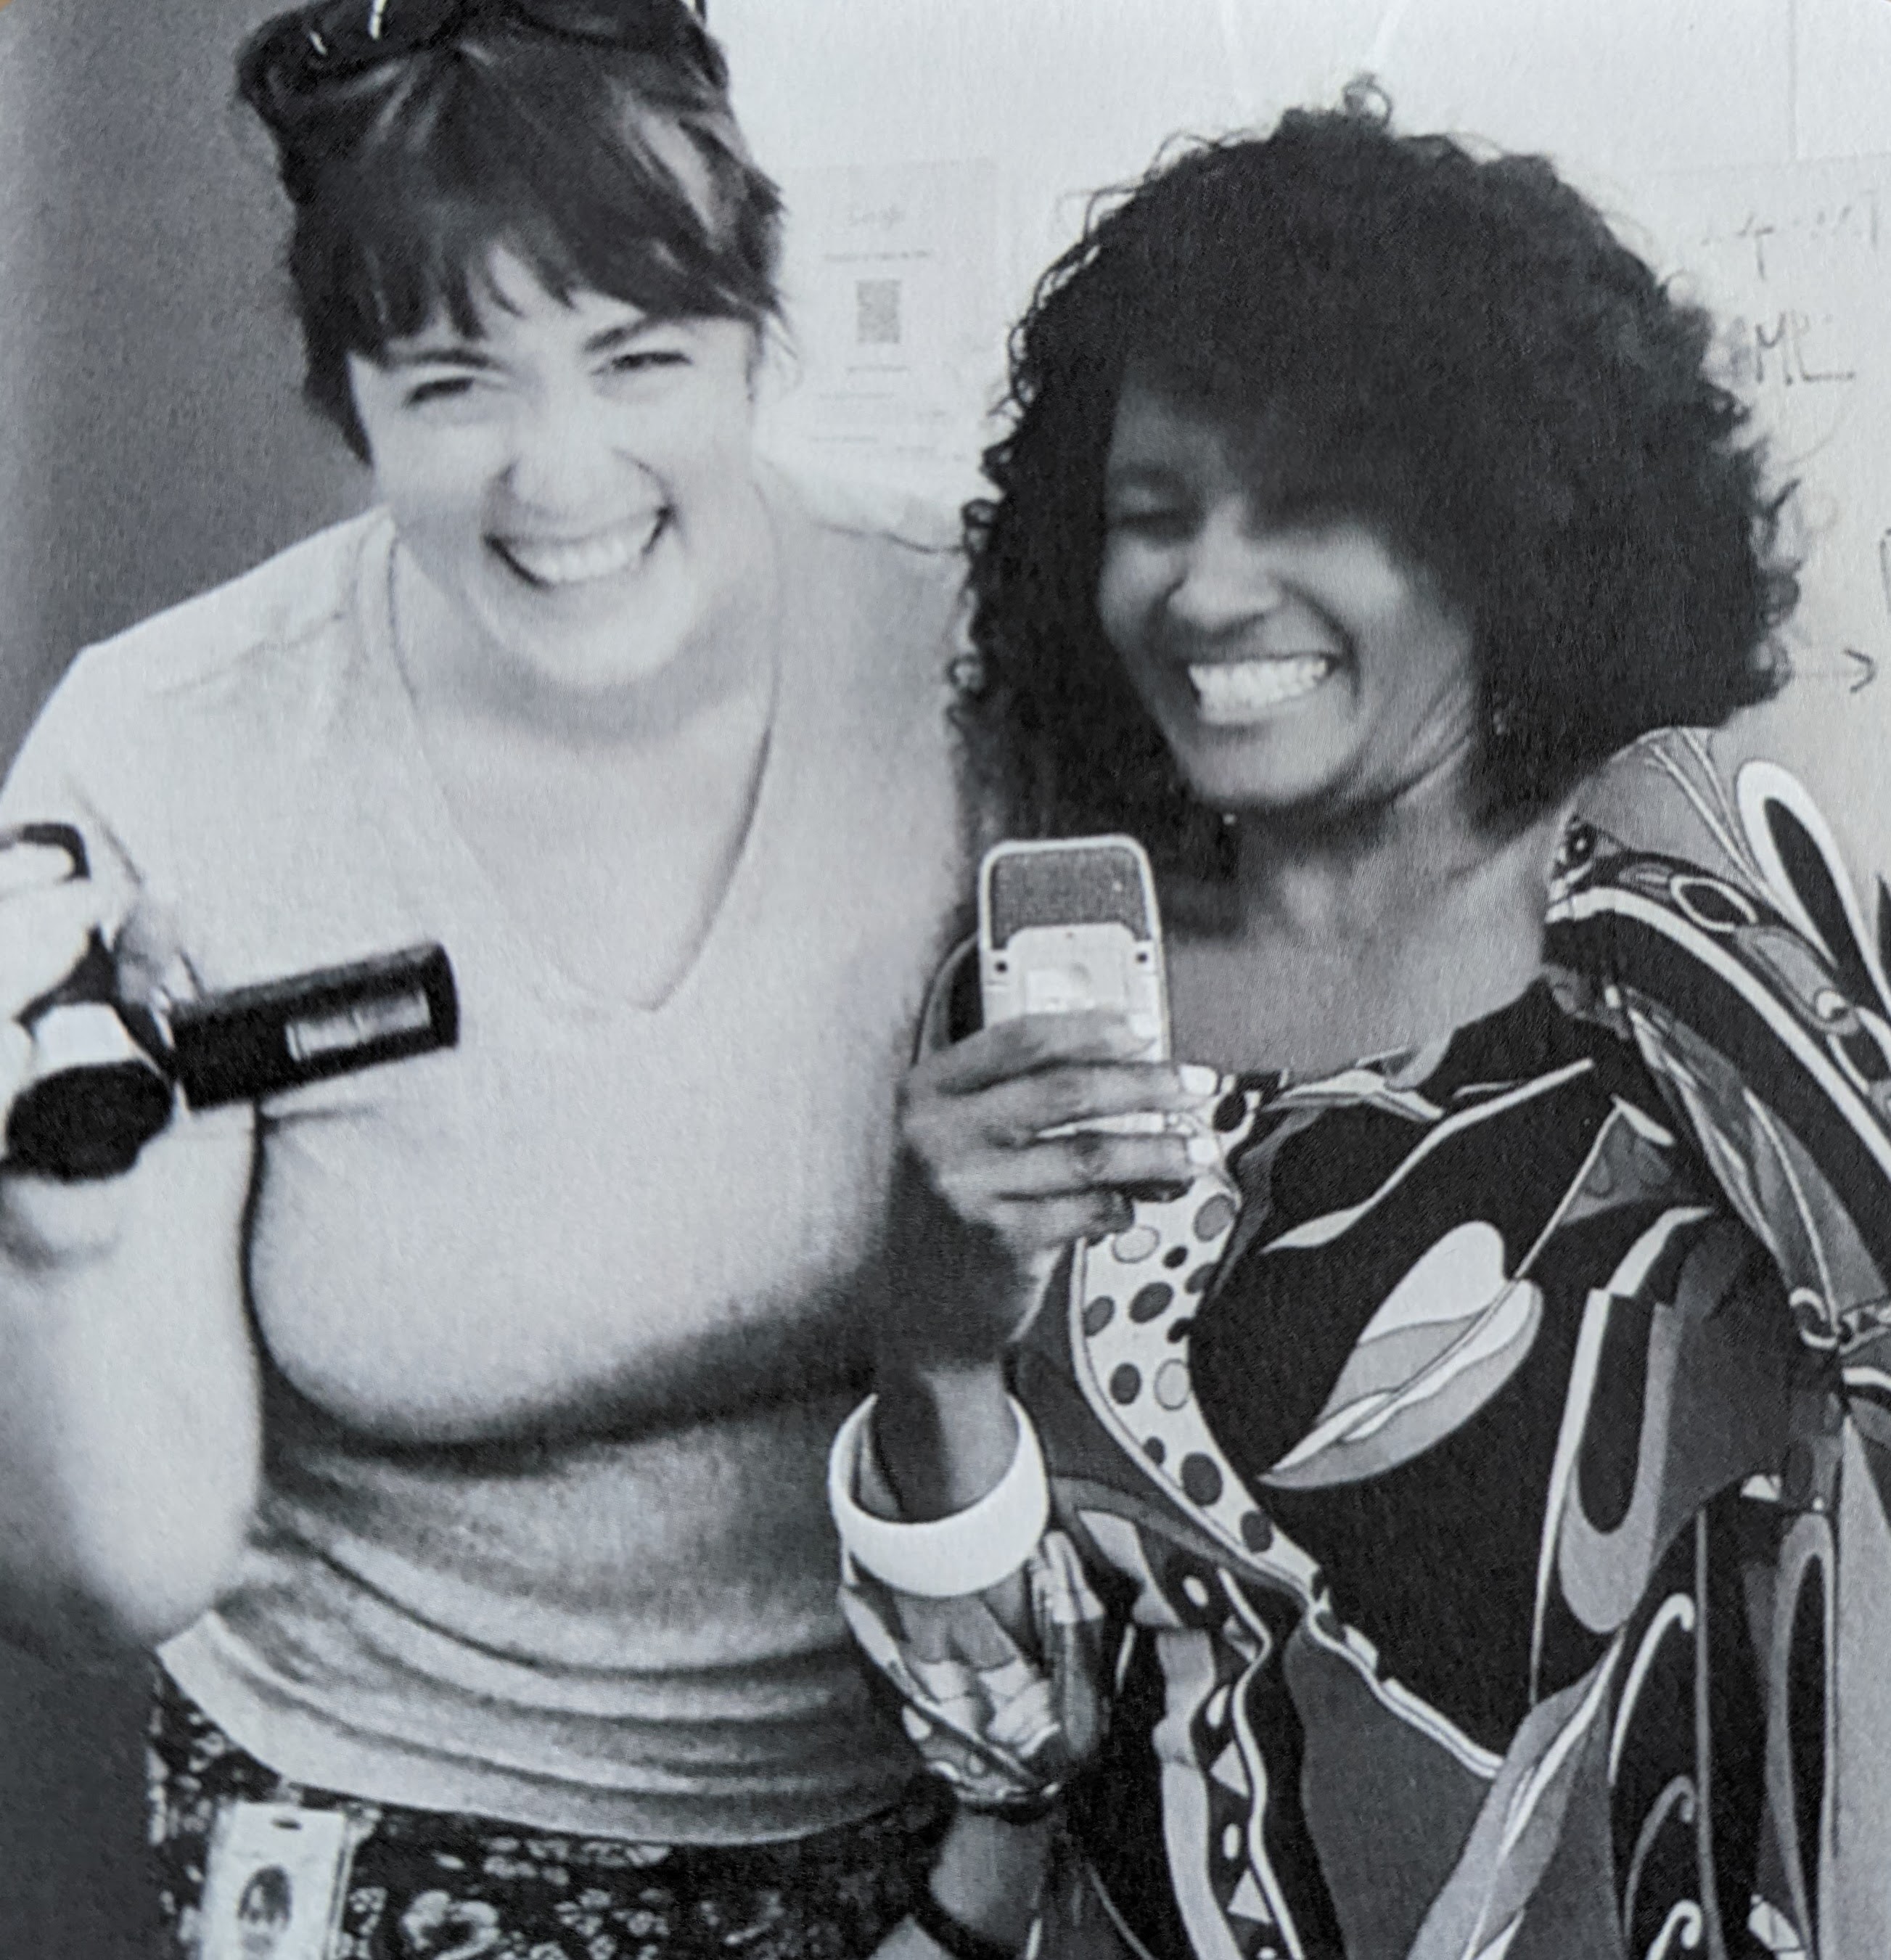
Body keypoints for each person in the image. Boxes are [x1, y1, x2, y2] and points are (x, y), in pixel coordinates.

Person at [0, 1, 1041, 1953]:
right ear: (350, 393)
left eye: (639, 357)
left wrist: (993, 1876)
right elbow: (105, 1574)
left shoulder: (983, 674)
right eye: (455, 380)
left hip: (923, 1793)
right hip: (371, 1803)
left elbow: (1145, 1350)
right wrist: (53, 1230)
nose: (559, 479)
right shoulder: (164, 760)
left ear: (756, 328)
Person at [829, 100, 1891, 1960]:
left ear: (1504, 524)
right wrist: (934, 1350)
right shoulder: (1049, 985)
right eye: (1152, 514)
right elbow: (1022, 1759)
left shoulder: (1664, 872)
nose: (1209, 586)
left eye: (1312, 502)